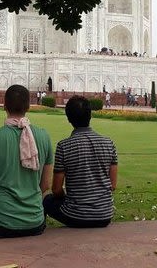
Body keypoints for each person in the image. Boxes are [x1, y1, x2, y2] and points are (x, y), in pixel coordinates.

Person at [0, 85, 53, 238]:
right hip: (35, 223)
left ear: (4, 105)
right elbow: (45, 186)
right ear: (29, 107)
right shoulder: (44, 136)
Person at [44, 96, 118, 228]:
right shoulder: (109, 143)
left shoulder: (64, 146)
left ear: (68, 118)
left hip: (76, 216)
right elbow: (112, 185)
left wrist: (69, 198)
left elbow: (56, 189)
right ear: (90, 115)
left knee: (47, 200)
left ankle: (40, 230)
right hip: (105, 215)